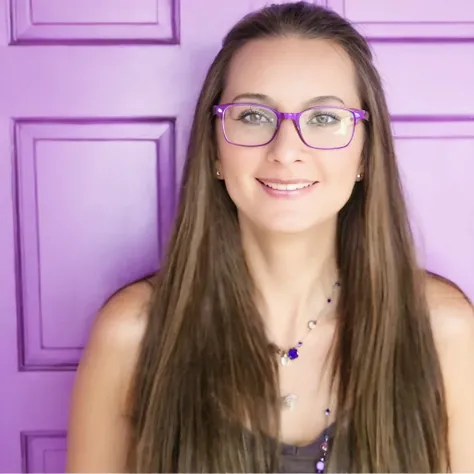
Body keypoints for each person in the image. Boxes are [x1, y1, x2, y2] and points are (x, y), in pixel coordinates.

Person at [65, 2, 474, 472]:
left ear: (365, 155)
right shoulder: (132, 335)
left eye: (323, 119)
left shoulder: (443, 329)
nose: (286, 150)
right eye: (254, 116)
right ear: (214, 150)